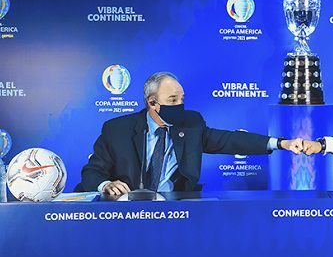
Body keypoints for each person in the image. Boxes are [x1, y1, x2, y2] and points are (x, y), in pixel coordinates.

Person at [75, 71, 304, 195]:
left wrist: (280, 143)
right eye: (172, 100)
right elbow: (92, 172)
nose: (180, 106)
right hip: (127, 213)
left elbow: (230, 140)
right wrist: (105, 185)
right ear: (152, 103)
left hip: (175, 210)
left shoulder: (191, 124)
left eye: (182, 99)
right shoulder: (117, 129)